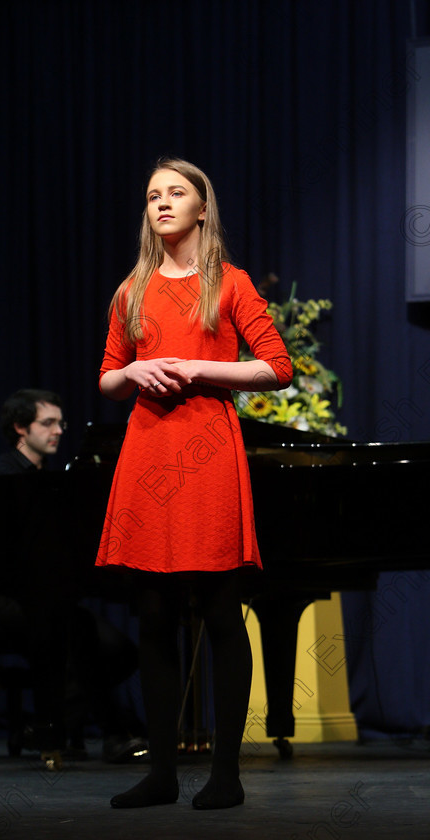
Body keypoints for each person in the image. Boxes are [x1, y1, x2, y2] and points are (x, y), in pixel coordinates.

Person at [96, 158, 293, 809]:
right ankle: (161, 774)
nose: (162, 202)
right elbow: (107, 378)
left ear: (202, 208)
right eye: (153, 194)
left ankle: (227, 774)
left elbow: (276, 368)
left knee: (218, 609)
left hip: (207, 454)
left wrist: (196, 368)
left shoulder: (228, 282)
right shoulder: (131, 289)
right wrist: (138, 373)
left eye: (176, 192)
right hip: (147, 453)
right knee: (153, 614)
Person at [0, 389, 147, 763]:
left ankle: (55, 726)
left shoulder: (50, 480)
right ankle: (109, 732)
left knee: (118, 650)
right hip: (4, 597)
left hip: (47, 596)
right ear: (21, 428)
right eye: (47, 423)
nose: (58, 431)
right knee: (73, 638)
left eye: (60, 423)